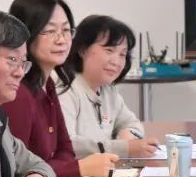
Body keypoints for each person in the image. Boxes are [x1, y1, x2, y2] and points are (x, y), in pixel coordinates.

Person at [0, 9, 119, 177]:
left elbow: (38, 162)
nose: (19, 72)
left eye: (22, 63)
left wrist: (30, 176)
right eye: (12, 60)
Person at [4, 0, 116, 177]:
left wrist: (63, 167)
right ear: (26, 34)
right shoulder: (18, 93)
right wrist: (78, 168)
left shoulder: (48, 83)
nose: (61, 40)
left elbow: (65, 150)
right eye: (49, 31)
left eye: (66, 30)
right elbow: (18, 169)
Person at [59, 14, 158, 159]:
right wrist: (124, 147)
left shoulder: (108, 90)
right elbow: (68, 144)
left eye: (122, 54)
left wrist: (127, 134)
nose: (116, 62)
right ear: (82, 50)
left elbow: (132, 124)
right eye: (109, 50)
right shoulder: (65, 89)